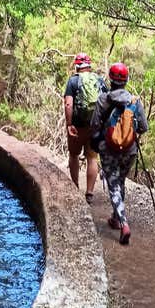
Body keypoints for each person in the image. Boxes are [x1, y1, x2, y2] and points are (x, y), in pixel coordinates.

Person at [91, 62, 148, 245]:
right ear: (126, 80)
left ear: (111, 79)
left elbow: (95, 124)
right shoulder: (135, 101)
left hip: (108, 149)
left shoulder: (103, 99)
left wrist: (96, 142)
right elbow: (144, 127)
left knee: (113, 184)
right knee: (120, 181)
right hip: (129, 150)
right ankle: (116, 218)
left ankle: (123, 223)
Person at [63, 52, 108, 204]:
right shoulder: (100, 80)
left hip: (78, 126)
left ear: (77, 65)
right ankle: (89, 193)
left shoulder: (73, 81)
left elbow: (68, 104)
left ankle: (75, 188)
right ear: (89, 65)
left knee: (74, 155)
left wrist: (69, 124)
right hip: (95, 126)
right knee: (92, 157)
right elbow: (107, 102)